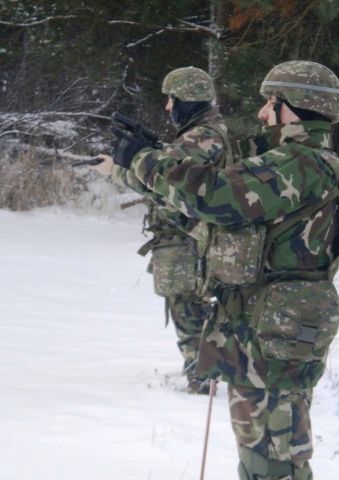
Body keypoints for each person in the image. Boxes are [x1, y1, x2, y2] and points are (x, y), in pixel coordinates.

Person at [109, 60, 339, 480]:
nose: (262, 113)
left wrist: (144, 160)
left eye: (270, 102)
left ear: (294, 106)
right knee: (264, 455)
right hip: (266, 329)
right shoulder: (292, 161)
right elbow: (215, 223)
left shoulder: (301, 163)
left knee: (272, 460)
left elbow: (214, 195)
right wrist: (154, 167)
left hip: (275, 336)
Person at [92, 66, 233, 394]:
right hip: (187, 238)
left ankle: (202, 378)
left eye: (172, 100)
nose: (168, 107)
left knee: (188, 309)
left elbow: (164, 182)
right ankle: (202, 372)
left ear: (188, 100)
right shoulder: (203, 133)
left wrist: (122, 167)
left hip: (188, 240)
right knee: (188, 307)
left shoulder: (201, 136)